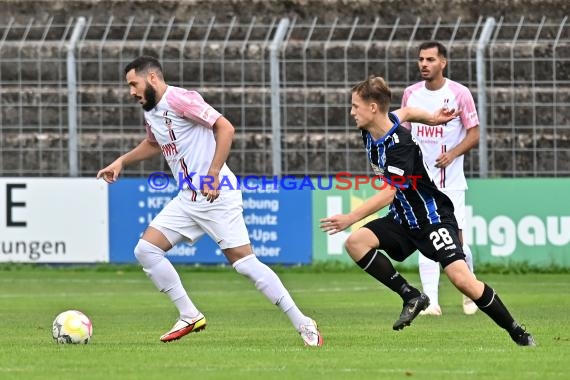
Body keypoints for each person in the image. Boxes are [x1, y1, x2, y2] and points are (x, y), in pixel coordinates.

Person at [97, 56, 323, 346]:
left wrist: (213, 174)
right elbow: (154, 143)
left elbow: (225, 128)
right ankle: (189, 314)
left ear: (152, 78)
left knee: (244, 264)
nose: (131, 91)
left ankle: (303, 322)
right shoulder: (151, 110)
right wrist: (121, 161)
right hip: (188, 199)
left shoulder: (181, 99)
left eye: (133, 84)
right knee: (147, 250)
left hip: (216, 194)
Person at [320, 76, 535, 346]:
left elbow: (389, 193)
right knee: (356, 243)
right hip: (403, 219)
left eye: (355, 106)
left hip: (431, 218)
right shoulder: (373, 128)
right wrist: (432, 119)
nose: (351, 112)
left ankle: (517, 332)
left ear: (373, 107)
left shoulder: (400, 144)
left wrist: (349, 218)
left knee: (461, 279)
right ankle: (411, 295)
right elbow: (407, 111)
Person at [401, 41, 479, 316]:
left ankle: (471, 292)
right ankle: (431, 302)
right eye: (421, 59)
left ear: (442, 62)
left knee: (455, 242)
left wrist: (453, 154)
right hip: (422, 182)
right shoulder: (410, 94)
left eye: (430, 59)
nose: (424, 64)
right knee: (427, 236)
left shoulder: (459, 93)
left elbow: (474, 133)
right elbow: (405, 135)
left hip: (452, 181)